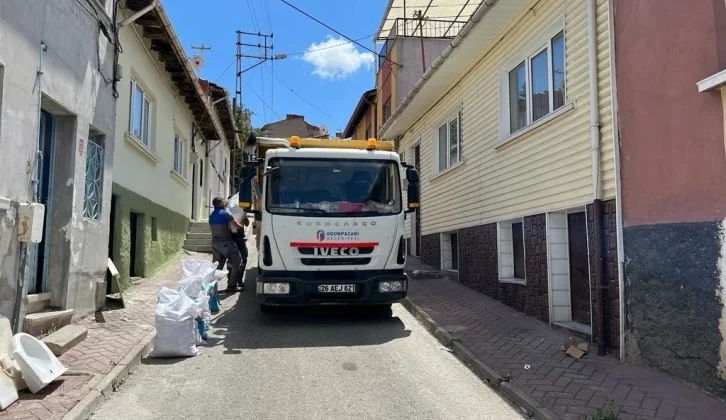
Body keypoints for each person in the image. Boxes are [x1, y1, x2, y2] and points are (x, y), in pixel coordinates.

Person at [209, 197, 248, 293]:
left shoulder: (211, 215)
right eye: (223, 201)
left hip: (215, 243)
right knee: (237, 262)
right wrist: (242, 226)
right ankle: (231, 286)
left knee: (217, 266)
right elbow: (237, 226)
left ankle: (212, 288)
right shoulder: (226, 214)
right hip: (227, 242)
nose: (225, 202)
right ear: (220, 204)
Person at [227, 195, 249, 291]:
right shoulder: (236, 211)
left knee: (231, 260)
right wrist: (243, 215)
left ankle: (231, 281)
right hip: (239, 238)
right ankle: (238, 281)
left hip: (229, 238)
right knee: (243, 259)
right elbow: (247, 223)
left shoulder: (227, 211)